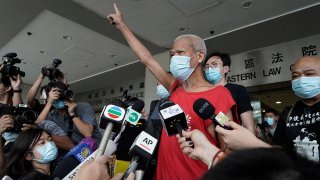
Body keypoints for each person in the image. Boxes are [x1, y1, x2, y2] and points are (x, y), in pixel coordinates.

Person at [108, 4, 239, 179]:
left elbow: (227, 150)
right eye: (172, 54)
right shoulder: (175, 87)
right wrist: (122, 25)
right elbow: (146, 59)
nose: (175, 58)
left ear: (199, 57)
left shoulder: (219, 95)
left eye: (180, 52)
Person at [273, 56, 320, 162]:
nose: (301, 79)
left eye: (309, 74)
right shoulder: (287, 113)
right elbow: (277, 148)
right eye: (295, 76)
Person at [36, 81, 102, 146]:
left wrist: (73, 114)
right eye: (55, 95)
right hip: (75, 151)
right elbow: (36, 127)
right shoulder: (53, 115)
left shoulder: (84, 107)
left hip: (96, 148)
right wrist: (49, 102)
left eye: (60, 94)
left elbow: (88, 134)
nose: (59, 97)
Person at [203, 52, 255, 134]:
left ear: (225, 69)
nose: (209, 69)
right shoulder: (203, 94)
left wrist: (251, 144)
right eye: (206, 67)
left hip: (233, 140)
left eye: (214, 64)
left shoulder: (238, 90)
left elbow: (248, 126)